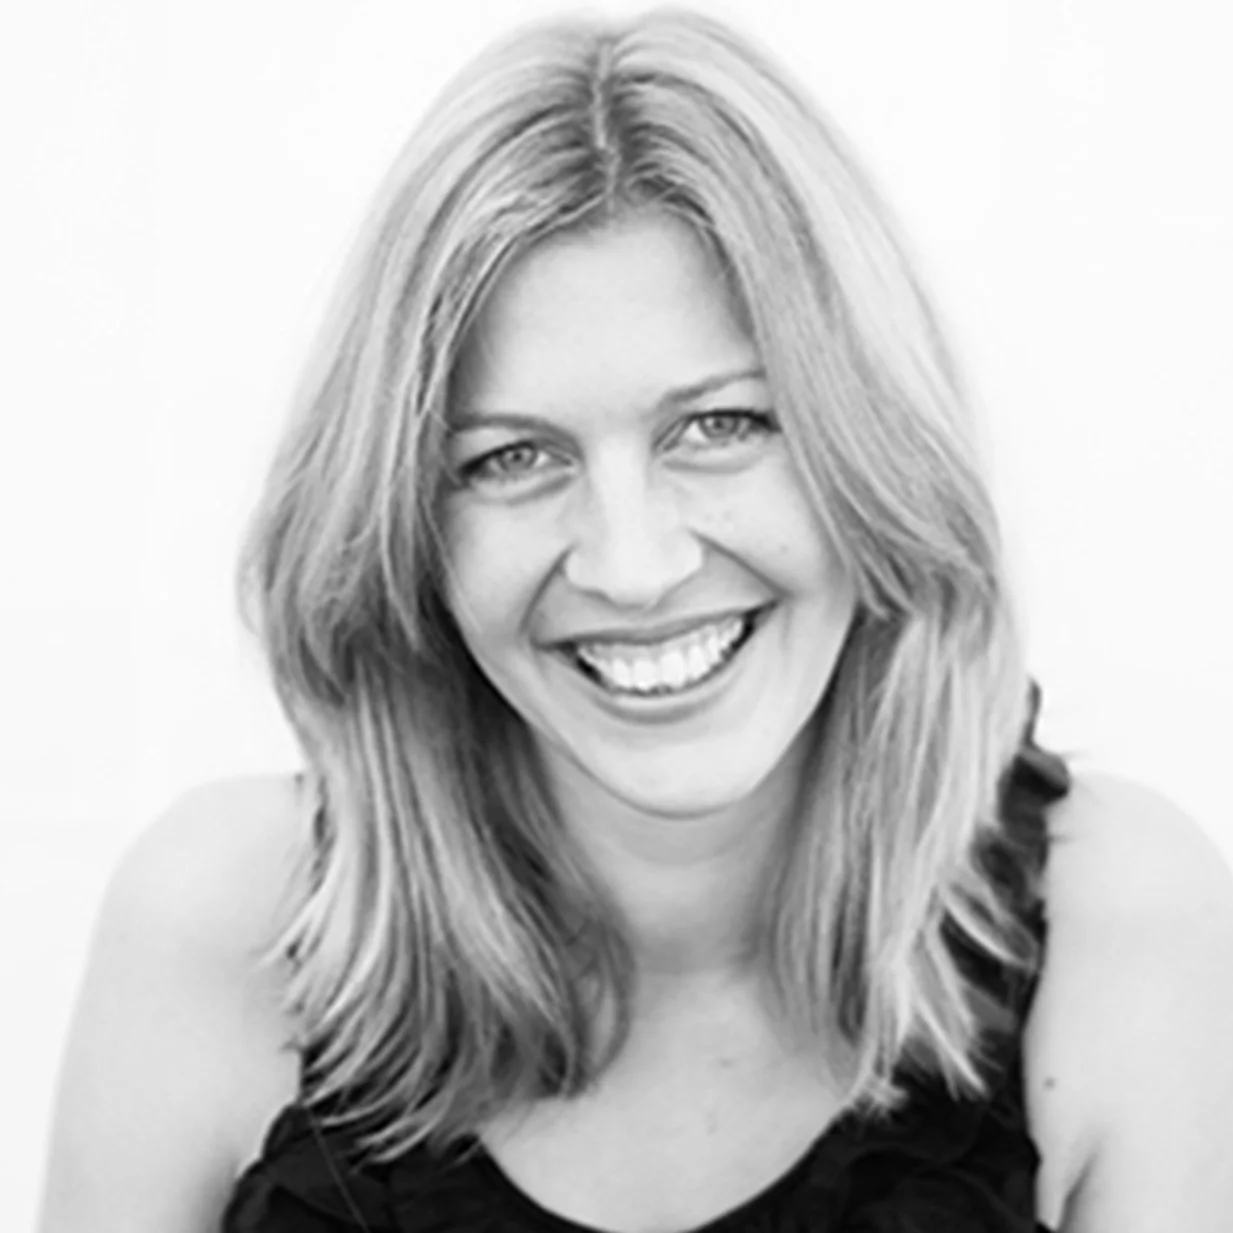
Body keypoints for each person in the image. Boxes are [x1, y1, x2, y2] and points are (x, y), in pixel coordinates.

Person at [38, 8, 1233, 1232]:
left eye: (721, 426)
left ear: (876, 448)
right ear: (407, 527)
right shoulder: (221, 926)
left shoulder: (1121, 928)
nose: (632, 567)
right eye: (510, 459)